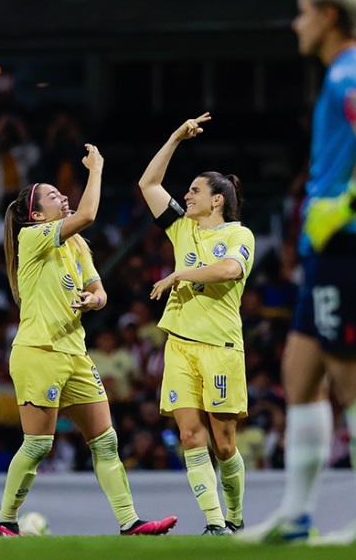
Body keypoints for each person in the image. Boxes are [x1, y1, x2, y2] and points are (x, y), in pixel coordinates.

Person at [243, 0, 356, 545]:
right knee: (300, 371)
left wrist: (352, 203)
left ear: (329, 15)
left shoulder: (349, 73)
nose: (296, 23)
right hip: (340, 246)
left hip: (348, 245)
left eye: (303, 11)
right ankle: (295, 516)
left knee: (354, 376)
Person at [0, 144, 177, 537]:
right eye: (54, 196)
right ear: (38, 215)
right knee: (38, 445)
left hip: (75, 353)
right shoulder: (33, 238)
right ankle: (4, 520)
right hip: (38, 351)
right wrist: (97, 169)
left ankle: (131, 522)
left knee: (106, 441)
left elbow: (100, 290)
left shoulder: (75, 245)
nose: (64, 197)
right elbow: (90, 213)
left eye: (62, 193)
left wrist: (93, 299)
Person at [137, 114, 256, 535]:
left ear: (217, 200)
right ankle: (214, 524)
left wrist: (178, 276)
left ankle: (236, 516)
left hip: (220, 347)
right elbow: (148, 185)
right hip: (180, 345)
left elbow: (227, 272)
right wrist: (173, 138)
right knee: (190, 436)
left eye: (194, 190)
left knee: (224, 444)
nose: (185, 196)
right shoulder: (181, 228)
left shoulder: (240, 235)